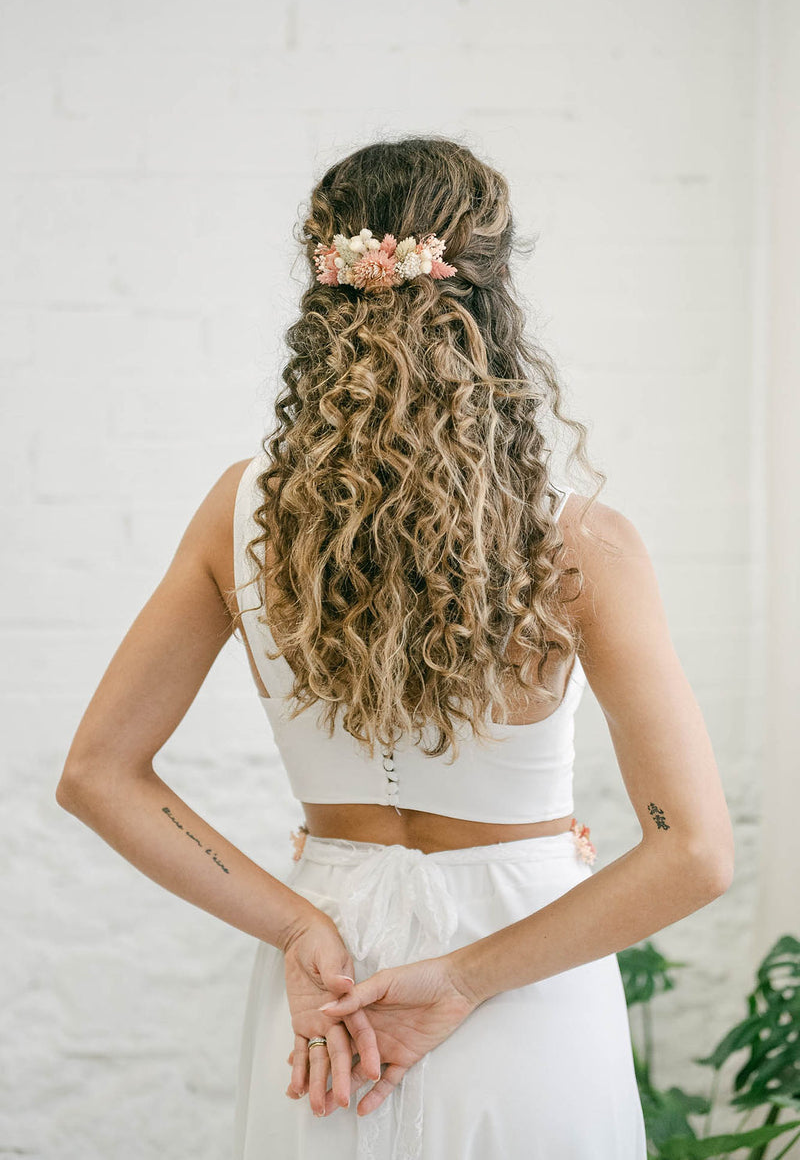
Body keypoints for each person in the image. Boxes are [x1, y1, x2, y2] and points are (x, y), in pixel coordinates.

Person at [56, 135, 734, 1159]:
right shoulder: (581, 544)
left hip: (332, 989)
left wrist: (294, 923)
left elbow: (98, 773)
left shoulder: (237, 514)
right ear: (493, 306)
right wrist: (460, 977)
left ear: (322, 308)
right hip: (521, 973)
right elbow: (693, 850)